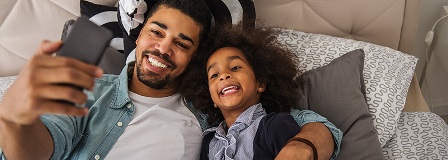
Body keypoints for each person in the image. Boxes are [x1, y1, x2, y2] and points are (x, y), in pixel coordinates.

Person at [0, 0, 340, 159]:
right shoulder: (90, 93)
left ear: (195, 59)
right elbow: (36, 152)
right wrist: (14, 119)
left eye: (182, 44)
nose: (163, 49)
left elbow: (317, 124)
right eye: (156, 32)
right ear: (139, 37)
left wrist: (300, 148)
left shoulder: (212, 112)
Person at [181, 25, 337, 160]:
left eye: (235, 67)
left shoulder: (274, 126)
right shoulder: (208, 141)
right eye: (214, 75)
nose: (223, 76)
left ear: (260, 83)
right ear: (211, 98)